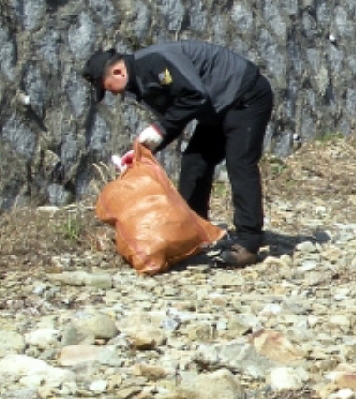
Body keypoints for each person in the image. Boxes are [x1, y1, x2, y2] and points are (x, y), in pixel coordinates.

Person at [81, 42, 276, 268]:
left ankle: (248, 243)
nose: (113, 94)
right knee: (194, 162)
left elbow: (194, 95)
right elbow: (177, 116)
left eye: (108, 87)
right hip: (217, 108)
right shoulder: (140, 82)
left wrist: (160, 129)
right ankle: (192, 233)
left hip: (246, 96)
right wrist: (144, 150)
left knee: (240, 163)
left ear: (117, 71)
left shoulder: (155, 62)